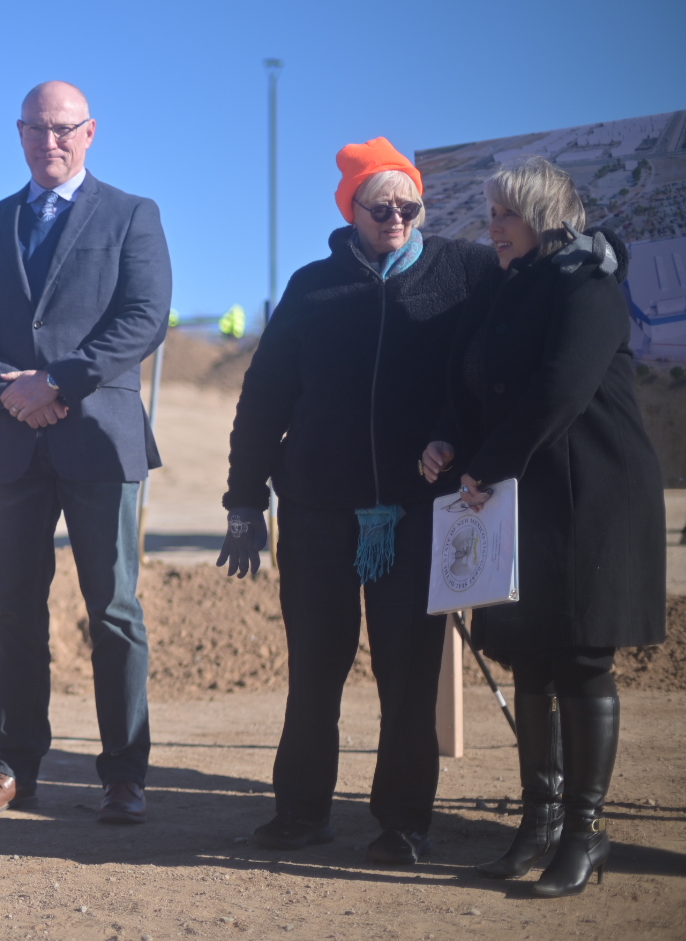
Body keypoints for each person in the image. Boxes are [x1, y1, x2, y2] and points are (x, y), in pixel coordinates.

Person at [219, 138, 497, 863]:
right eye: (382, 206)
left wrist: (456, 442)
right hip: (317, 514)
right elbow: (264, 396)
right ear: (352, 210)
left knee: (408, 677)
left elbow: (496, 364)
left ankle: (403, 822)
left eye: (409, 204)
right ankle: (302, 813)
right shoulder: (313, 287)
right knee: (314, 669)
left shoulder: (464, 272)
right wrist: (244, 499)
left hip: (419, 512)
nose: (397, 217)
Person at [423, 155, 666, 897]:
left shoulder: (589, 281)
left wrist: (488, 461)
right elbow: (473, 383)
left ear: (544, 218)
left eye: (507, 214)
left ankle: (586, 836)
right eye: (491, 212)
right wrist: (454, 447)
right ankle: (539, 824)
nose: (492, 226)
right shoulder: (502, 289)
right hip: (521, 493)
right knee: (529, 656)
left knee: (581, 659)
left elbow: (561, 386)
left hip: (591, 493)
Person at [0, 81, 170, 824]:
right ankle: (14, 767)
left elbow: (144, 316)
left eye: (64, 129)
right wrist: (8, 386)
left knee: (114, 612)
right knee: (16, 613)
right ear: (19, 134)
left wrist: (60, 384)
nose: (51, 142)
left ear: (91, 132)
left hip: (100, 439)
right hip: (11, 443)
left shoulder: (132, 215)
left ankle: (123, 775)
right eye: (37, 130)